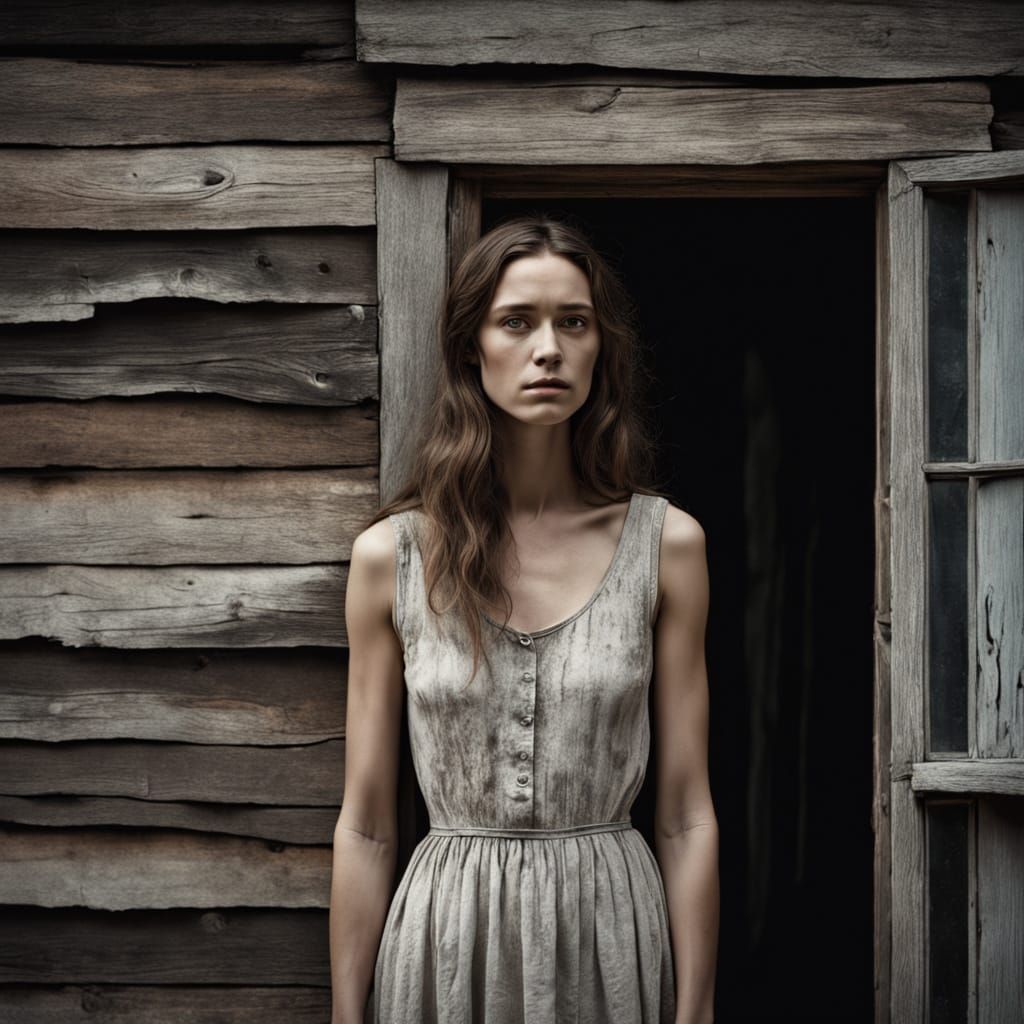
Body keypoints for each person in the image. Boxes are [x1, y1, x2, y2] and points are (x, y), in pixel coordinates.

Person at [329, 214, 719, 1024]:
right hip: (445, 941)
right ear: (473, 347)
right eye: (518, 321)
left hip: (609, 937)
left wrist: (696, 1009)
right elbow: (366, 826)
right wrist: (346, 1013)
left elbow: (685, 813)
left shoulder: (667, 545)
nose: (550, 348)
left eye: (573, 322)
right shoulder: (390, 559)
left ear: (598, 346)